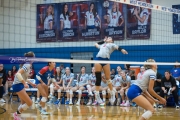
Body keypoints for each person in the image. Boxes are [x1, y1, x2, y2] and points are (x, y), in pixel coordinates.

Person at [94, 36, 128, 105]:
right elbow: (95, 44)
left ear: (112, 41)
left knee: (108, 78)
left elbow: (117, 47)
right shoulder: (102, 45)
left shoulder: (112, 45)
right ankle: (97, 95)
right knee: (98, 78)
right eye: (108, 38)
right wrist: (103, 41)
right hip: (98, 59)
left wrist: (122, 50)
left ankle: (112, 93)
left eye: (110, 38)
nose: (108, 38)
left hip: (106, 61)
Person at [12, 52, 36, 120]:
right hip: (18, 85)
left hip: (19, 85)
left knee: (23, 103)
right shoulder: (27, 65)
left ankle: (17, 116)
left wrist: (31, 84)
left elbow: (24, 77)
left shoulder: (27, 65)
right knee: (30, 103)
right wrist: (24, 83)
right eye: (34, 57)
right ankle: (16, 114)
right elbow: (18, 74)